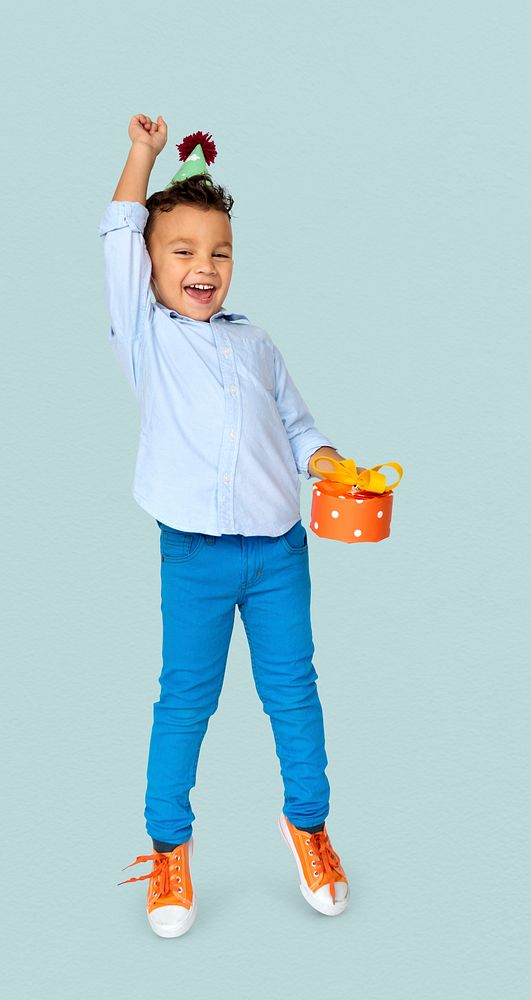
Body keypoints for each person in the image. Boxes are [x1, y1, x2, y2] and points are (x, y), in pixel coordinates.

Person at [99, 114, 362, 938]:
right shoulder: (145, 335)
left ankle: (309, 826)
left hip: (280, 550)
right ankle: (168, 848)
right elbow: (116, 232)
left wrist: (325, 461)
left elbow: (296, 425)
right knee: (185, 701)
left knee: (295, 695)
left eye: (218, 251)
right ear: (148, 263)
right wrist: (142, 154)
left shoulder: (256, 344)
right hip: (195, 558)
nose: (202, 266)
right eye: (180, 250)